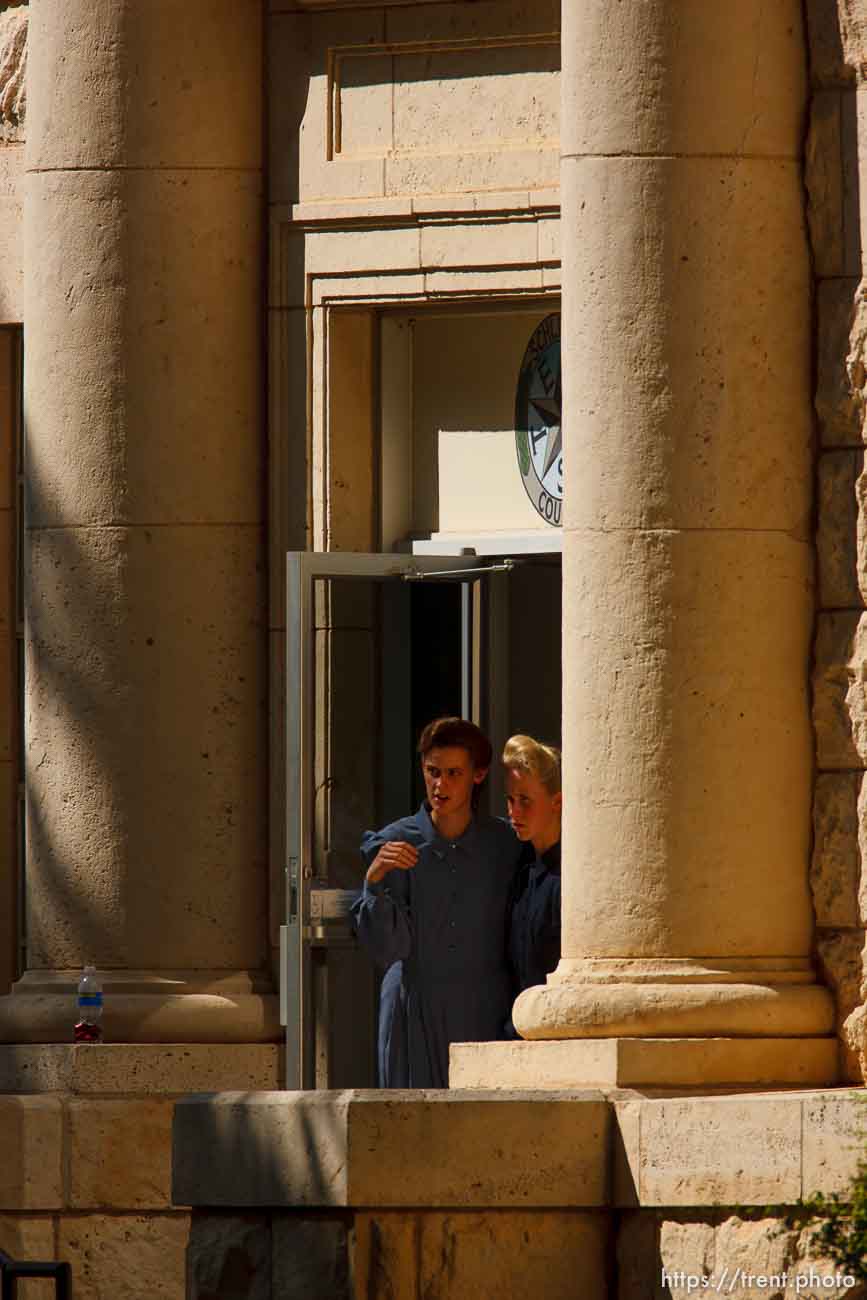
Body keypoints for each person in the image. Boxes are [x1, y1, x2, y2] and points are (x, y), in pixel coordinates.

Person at [351, 717, 521, 1088]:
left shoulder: (505, 844)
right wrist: (374, 882)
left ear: (478, 775)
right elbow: (385, 949)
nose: (440, 785)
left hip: (483, 1006)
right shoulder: (394, 843)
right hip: (414, 1006)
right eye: (432, 771)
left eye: (453, 773)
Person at [502, 734, 562, 1036]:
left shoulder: (569, 879)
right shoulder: (521, 872)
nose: (514, 812)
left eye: (525, 800)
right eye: (510, 800)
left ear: (557, 802)